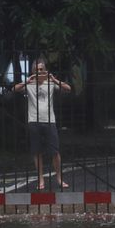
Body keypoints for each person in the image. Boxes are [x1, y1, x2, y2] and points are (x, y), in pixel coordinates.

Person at [13, 58, 71, 190]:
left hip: (49, 120)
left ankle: (59, 178)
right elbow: (15, 89)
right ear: (33, 71)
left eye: (41, 69)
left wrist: (54, 79)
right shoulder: (30, 84)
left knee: (55, 151)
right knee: (37, 151)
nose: (39, 72)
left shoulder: (50, 83)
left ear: (45, 70)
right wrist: (27, 80)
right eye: (36, 70)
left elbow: (68, 88)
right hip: (34, 120)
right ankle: (41, 179)